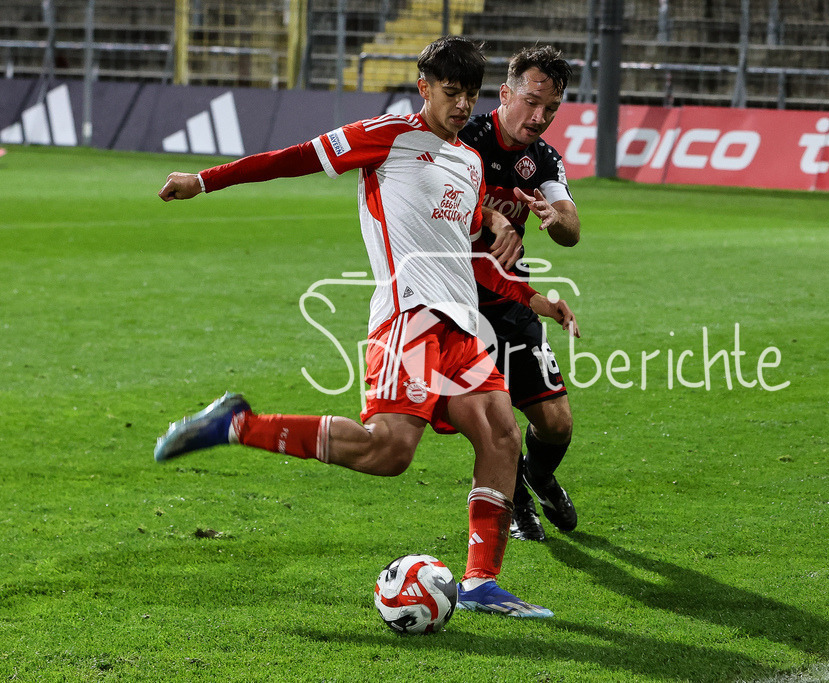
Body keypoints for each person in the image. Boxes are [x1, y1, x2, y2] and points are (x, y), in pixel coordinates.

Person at [154, 36, 581, 618]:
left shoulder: (469, 161)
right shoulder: (388, 135)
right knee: (390, 451)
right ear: (425, 87)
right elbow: (294, 157)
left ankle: (481, 583)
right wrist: (203, 180)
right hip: (408, 318)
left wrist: (536, 299)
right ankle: (240, 425)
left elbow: (471, 258)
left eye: (469, 95)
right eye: (450, 92)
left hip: (460, 325)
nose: (460, 106)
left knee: (503, 435)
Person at [458, 46, 581, 542]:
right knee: (495, 419)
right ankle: (517, 504)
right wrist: (489, 216)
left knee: (556, 423)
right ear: (505, 93)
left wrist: (556, 217)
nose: (539, 117)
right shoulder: (463, 139)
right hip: (454, 297)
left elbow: (570, 226)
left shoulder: (542, 158)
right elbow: (428, 204)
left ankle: (539, 474)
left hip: (510, 294)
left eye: (550, 109)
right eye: (531, 102)